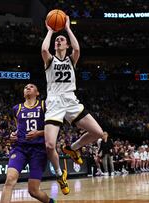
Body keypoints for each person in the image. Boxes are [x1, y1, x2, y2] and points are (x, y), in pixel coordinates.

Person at [41, 15, 104, 194]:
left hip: (70, 100)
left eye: (62, 40)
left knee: (98, 132)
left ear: (67, 45)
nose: (59, 41)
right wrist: (50, 32)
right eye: (57, 40)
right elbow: (44, 49)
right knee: (49, 146)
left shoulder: (71, 60)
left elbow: (77, 48)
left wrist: (67, 28)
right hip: (54, 101)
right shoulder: (50, 60)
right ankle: (60, 174)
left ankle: (72, 148)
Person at [0, 83, 55, 203]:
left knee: (33, 191)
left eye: (31, 87)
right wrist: (13, 135)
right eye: (25, 87)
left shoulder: (44, 105)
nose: (27, 88)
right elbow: (18, 128)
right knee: (9, 180)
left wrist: (39, 133)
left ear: (37, 93)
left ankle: (50, 201)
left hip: (38, 150)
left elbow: (54, 129)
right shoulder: (17, 108)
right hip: (20, 148)